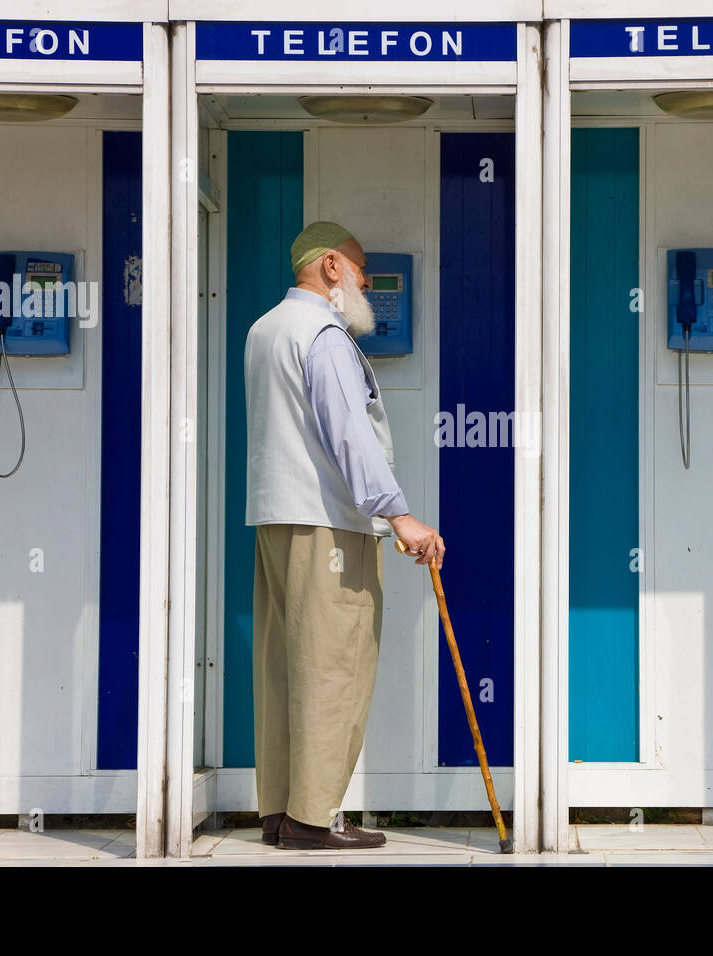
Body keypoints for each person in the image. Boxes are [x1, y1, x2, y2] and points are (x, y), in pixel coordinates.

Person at [244, 220, 445, 850]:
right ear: (331, 266)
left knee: (283, 667)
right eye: (361, 271)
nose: (366, 284)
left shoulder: (264, 328)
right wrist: (398, 515)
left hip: (277, 519)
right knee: (334, 665)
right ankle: (313, 818)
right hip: (330, 523)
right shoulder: (323, 335)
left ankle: (280, 811)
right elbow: (348, 436)